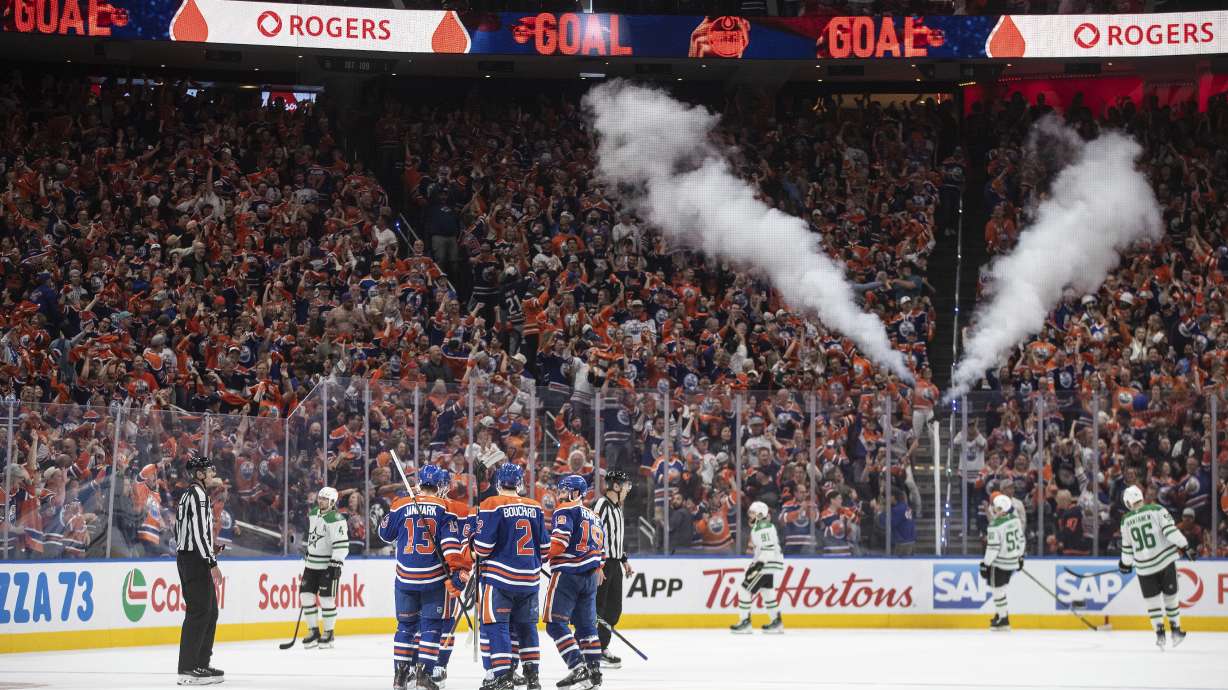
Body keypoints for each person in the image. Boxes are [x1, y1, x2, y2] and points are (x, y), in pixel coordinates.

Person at [378, 465, 463, 690]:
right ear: (439, 486)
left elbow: (384, 534)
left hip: (405, 578)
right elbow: (451, 546)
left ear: (419, 484)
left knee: (405, 626)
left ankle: (400, 677)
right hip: (433, 579)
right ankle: (423, 676)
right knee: (431, 627)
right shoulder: (444, 507)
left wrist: (394, 511)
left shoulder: (401, 504)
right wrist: (458, 572)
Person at [473, 463, 548, 690]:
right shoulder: (535, 507)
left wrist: (474, 539)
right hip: (529, 581)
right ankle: (533, 677)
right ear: (520, 483)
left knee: (498, 627)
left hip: (499, 580)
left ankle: (503, 677)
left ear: (498, 483)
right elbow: (545, 549)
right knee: (526, 628)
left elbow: (483, 548)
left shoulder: (491, 504)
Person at [545, 475, 606, 690]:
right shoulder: (595, 516)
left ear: (577, 493)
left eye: (564, 490)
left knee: (555, 624)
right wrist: (598, 567)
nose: (560, 494)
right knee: (587, 628)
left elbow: (560, 542)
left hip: (567, 575)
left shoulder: (565, 510)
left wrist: (539, 555)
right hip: (589, 577)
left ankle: (577, 666)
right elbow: (602, 551)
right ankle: (594, 674)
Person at [1119, 485, 1194, 649]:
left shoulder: (1125, 521)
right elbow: (1170, 531)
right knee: (1171, 598)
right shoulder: (1157, 509)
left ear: (1127, 502)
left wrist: (1125, 564)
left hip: (1144, 568)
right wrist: (1185, 545)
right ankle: (1175, 631)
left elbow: (1127, 549)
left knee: (1152, 602)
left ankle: (1160, 636)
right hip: (1165, 562)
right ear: (1141, 495)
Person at [175, 455, 224, 686]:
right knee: (199, 612)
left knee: (210, 612)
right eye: (208, 469)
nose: (212, 472)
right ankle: (187, 668)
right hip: (195, 559)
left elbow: (184, 530)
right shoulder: (198, 495)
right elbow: (197, 533)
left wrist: (210, 550)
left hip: (193, 556)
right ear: (199, 474)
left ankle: (201, 663)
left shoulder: (191, 495)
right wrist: (211, 561)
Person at [298, 486, 349, 650]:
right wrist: (308, 551)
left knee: (327, 599)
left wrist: (337, 562)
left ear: (332, 502)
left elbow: (342, 544)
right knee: (306, 596)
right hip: (311, 564)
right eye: (320, 498)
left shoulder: (336, 518)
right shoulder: (314, 513)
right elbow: (312, 535)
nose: (321, 501)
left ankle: (329, 632)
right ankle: (313, 631)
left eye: (325, 499)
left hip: (328, 565)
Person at [592, 470, 632, 669]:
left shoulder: (617, 507)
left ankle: (602, 647)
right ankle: (593, 649)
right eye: (624, 484)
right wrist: (597, 564)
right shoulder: (601, 505)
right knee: (599, 608)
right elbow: (594, 534)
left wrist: (623, 559)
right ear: (615, 486)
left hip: (614, 564)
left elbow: (615, 537)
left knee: (614, 609)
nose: (626, 488)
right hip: (603, 564)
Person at [729, 501, 784, 634]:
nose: (750, 515)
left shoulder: (762, 526)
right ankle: (776, 622)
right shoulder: (764, 525)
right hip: (770, 563)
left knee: (744, 590)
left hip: (765, 564)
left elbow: (768, 547)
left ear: (760, 514)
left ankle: (745, 622)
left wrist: (759, 564)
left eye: (753, 513)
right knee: (767, 591)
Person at [980, 493, 1024, 632]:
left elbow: (993, 548)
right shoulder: (1015, 520)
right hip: (1013, 562)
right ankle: (1000, 614)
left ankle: (1003, 619)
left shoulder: (994, 525)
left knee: (997, 590)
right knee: (1001, 589)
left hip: (999, 563)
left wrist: (985, 564)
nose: (993, 510)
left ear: (1000, 509)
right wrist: (1020, 557)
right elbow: (1021, 540)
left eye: (995, 508)